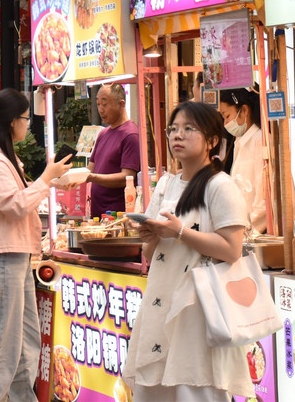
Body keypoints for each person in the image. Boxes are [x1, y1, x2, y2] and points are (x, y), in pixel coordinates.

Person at [122, 101, 251, 401]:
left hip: (198, 308)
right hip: (161, 301)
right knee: (155, 386)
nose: (178, 135)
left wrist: (180, 232)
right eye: (174, 129)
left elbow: (232, 249)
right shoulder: (166, 184)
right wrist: (150, 235)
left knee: (195, 385)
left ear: (212, 140)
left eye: (189, 128)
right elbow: (150, 254)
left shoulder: (221, 186)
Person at [0, 88, 73, 402]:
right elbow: (15, 205)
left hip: (16, 257)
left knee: (26, 342)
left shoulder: (6, 157)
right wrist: (46, 179)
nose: (28, 124)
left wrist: (52, 180)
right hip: (2, 258)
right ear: (13, 121)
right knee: (5, 348)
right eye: (26, 118)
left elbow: (21, 198)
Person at [86, 83, 141, 216]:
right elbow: (90, 169)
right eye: (98, 104)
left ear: (121, 104)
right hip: (97, 214)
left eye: (104, 104)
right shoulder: (102, 134)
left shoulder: (131, 135)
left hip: (117, 215)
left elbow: (126, 177)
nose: (100, 110)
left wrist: (91, 177)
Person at [219, 89, 267, 233]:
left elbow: (264, 195)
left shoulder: (260, 140)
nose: (226, 123)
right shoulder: (240, 141)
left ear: (244, 110)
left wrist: (250, 229)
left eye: (227, 116)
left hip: (256, 230)